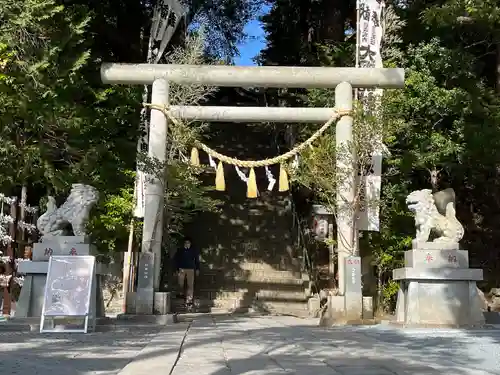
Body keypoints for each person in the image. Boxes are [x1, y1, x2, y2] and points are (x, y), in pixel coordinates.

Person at [174, 236, 200, 305]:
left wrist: (197, 269)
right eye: (186, 243)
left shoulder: (193, 250)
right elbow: (176, 260)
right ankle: (181, 294)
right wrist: (176, 269)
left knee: (190, 284)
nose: (187, 244)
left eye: (188, 243)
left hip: (191, 269)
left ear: (190, 244)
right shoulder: (180, 250)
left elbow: (197, 260)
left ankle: (189, 299)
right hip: (181, 268)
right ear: (184, 243)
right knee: (180, 283)